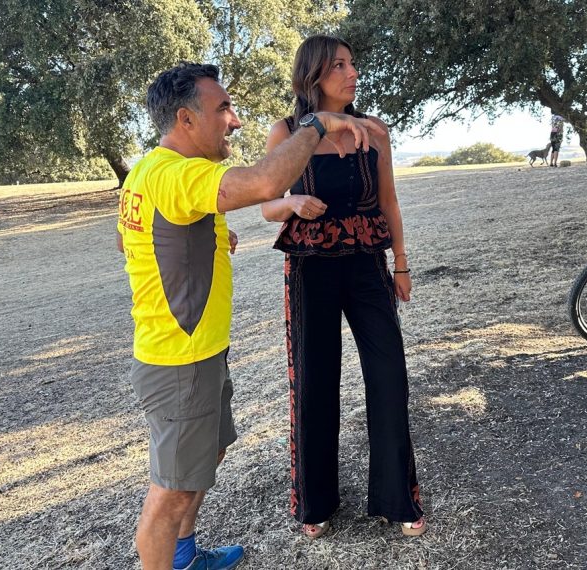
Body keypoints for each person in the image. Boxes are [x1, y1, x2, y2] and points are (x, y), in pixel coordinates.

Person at [117, 62, 383, 570]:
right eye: (222, 109)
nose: (234, 121)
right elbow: (265, 183)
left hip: (196, 354)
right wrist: (317, 124)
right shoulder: (179, 173)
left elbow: (136, 237)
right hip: (179, 361)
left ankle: (186, 557)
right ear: (185, 119)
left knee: (202, 463)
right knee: (170, 491)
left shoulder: (148, 173)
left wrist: (211, 239)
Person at [259, 35, 426, 539]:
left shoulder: (374, 130)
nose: (352, 73)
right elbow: (267, 201)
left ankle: (398, 500)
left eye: (353, 64)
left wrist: (401, 263)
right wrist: (291, 204)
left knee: (389, 374)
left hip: (367, 263)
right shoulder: (288, 132)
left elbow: (390, 202)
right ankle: (315, 503)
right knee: (315, 379)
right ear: (312, 76)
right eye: (339, 65)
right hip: (311, 266)